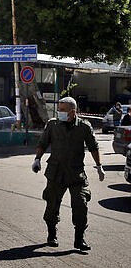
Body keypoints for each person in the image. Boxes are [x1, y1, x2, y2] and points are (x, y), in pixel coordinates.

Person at [32, 96, 105, 251]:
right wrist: (37, 159)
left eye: (63, 110)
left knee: (81, 205)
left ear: (73, 112)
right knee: (52, 204)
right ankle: (51, 235)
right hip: (56, 172)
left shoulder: (84, 127)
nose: (59, 112)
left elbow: (93, 146)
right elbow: (43, 143)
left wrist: (99, 166)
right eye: (59, 109)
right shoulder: (53, 125)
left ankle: (79, 239)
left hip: (76, 173)